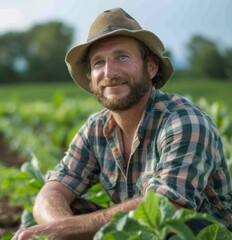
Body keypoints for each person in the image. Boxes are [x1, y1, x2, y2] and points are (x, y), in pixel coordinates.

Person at [12, 7, 232, 240]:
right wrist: (61, 228)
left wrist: (64, 230)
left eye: (122, 57)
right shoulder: (96, 129)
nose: (109, 72)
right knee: (60, 214)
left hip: (199, 234)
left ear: (150, 67)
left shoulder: (184, 122)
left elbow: (167, 207)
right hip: (139, 233)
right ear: (90, 77)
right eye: (98, 63)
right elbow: (52, 191)